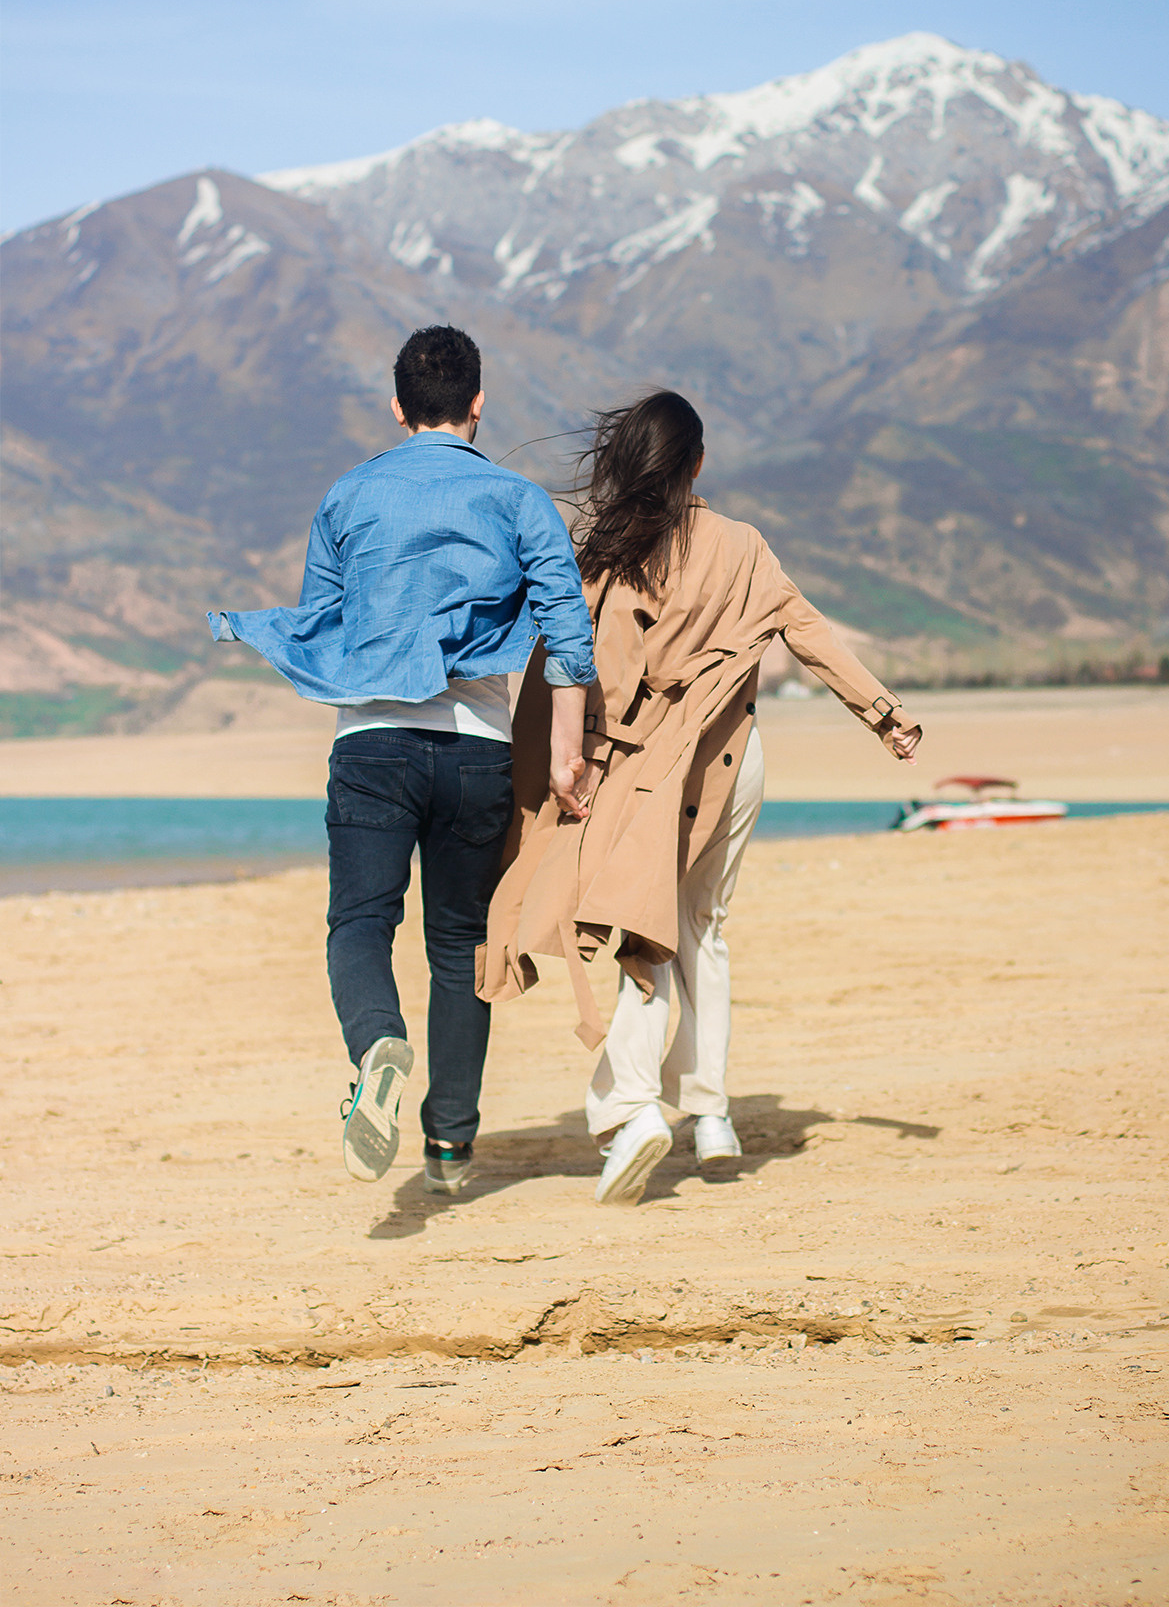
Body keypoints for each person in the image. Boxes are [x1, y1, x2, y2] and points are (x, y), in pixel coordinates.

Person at [483, 390, 922, 1205]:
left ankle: (632, 1109)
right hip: (731, 756)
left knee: (638, 935)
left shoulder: (607, 557)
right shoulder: (744, 545)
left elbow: (576, 667)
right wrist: (885, 715)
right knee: (701, 928)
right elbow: (811, 631)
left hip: (643, 763)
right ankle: (712, 1117)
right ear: (698, 465)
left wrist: (561, 762)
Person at [207, 327, 595, 1192]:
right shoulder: (518, 498)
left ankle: (377, 1042)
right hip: (478, 751)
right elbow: (572, 637)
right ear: (478, 403)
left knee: (360, 925)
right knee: (459, 944)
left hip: (372, 746)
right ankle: (451, 1146)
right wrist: (567, 759)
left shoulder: (350, 496)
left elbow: (326, 620)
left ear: (397, 406)